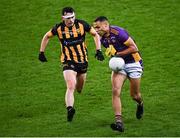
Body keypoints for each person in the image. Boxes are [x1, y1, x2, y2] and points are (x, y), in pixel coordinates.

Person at [38, 7, 104, 122]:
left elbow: (95, 35)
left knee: (79, 88)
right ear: (63, 18)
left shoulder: (82, 25)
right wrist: (41, 52)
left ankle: (72, 101)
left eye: (72, 17)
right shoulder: (58, 28)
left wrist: (99, 50)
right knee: (71, 85)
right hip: (68, 61)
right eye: (68, 18)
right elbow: (46, 36)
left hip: (83, 61)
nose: (71, 20)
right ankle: (70, 109)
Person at [93, 16, 144, 132]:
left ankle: (140, 103)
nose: (95, 30)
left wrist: (117, 54)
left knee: (135, 95)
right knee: (115, 91)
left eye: (98, 27)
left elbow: (134, 48)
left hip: (133, 63)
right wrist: (103, 52)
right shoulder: (101, 38)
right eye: (94, 27)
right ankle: (119, 122)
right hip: (120, 65)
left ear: (106, 25)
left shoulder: (119, 33)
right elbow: (112, 50)